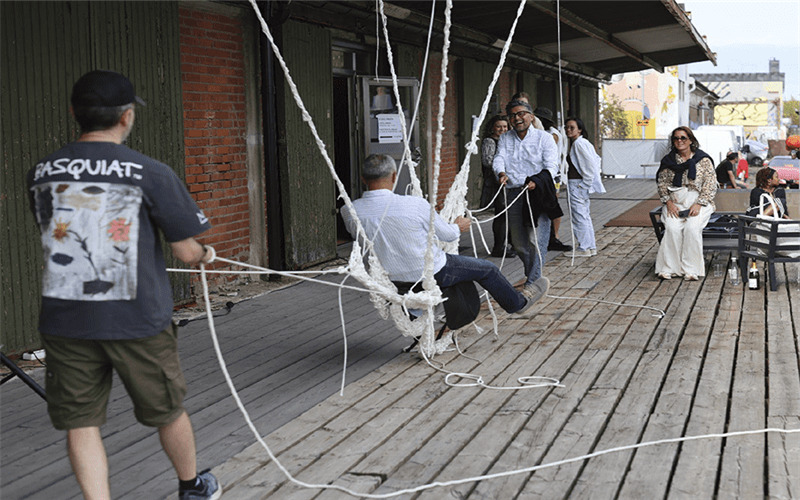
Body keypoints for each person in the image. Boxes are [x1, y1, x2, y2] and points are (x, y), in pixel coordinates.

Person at [26, 70, 221, 500]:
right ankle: (191, 488)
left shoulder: (41, 172)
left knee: (81, 422)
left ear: (74, 112)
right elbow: (186, 252)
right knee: (167, 409)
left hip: (66, 319)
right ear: (127, 117)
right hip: (138, 320)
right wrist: (206, 255)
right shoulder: (150, 172)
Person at [341, 154, 547, 316]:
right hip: (430, 272)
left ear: (362, 178)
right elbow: (448, 236)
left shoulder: (349, 210)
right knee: (488, 269)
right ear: (394, 177)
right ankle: (518, 304)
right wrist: (459, 225)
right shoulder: (414, 204)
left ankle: (419, 312)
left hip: (387, 279)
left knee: (455, 268)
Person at [492, 100, 561, 295]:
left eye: (521, 113)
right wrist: (500, 173)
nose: (517, 118)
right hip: (514, 193)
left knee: (536, 241)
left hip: (537, 193)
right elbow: (499, 157)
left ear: (531, 116)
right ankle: (533, 277)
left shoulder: (544, 138)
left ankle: (533, 283)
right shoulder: (505, 138)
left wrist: (536, 182)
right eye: (513, 115)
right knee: (520, 244)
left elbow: (551, 166)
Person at [654, 126, 717, 281]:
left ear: (690, 140)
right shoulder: (668, 161)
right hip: (675, 201)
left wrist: (699, 203)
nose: (680, 141)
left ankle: (691, 269)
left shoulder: (703, 160)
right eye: (676, 138)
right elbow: (662, 184)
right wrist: (668, 203)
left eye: (683, 138)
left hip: (698, 201)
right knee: (672, 228)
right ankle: (669, 268)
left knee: (692, 228)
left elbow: (710, 183)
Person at [564, 116, 606, 257]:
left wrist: (585, 184)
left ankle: (584, 247)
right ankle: (590, 246)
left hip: (577, 183)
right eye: (567, 127)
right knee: (584, 216)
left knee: (579, 216)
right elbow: (596, 160)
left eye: (572, 127)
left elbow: (590, 164)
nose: (568, 130)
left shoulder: (578, 144)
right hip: (579, 183)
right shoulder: (582, 143)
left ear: (579, 129)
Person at [534, 107, 572, 252]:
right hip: (549, 173)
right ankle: (549, 236)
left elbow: (545, 145)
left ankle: (554, 236)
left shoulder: (551, 134)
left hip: (552, 174)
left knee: (552, 204)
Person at [480, 114, 515, 258]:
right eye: (499, 127)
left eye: (505, 126)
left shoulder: (507, 140)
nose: (502, 129)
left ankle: (511, 244)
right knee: (501, 215)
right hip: (497, 182)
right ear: (492, 128)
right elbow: (487, 161)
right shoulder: (490, 141)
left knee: (510, 214)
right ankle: (498, 247)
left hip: (509, 181)